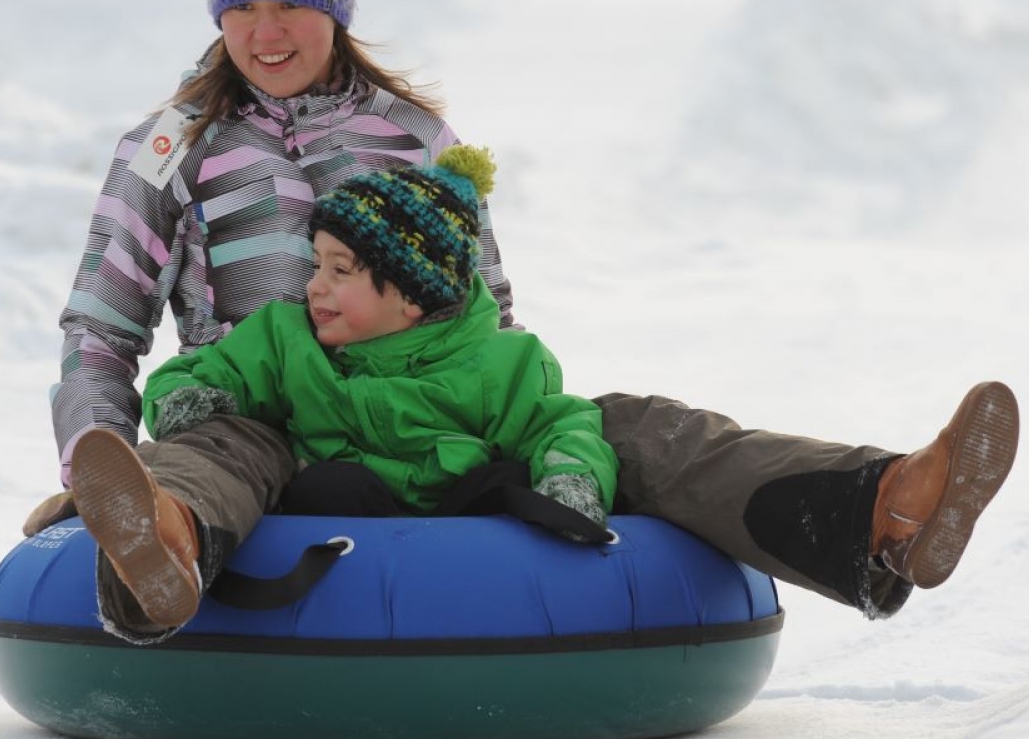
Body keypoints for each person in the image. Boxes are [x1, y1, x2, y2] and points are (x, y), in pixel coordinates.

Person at [32, 0, 1020, 635]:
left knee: (631, 426)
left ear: (333, 1)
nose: (266, 30)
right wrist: (96, 463)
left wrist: (526, 426)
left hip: (434, 418)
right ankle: (157, 537)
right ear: (217, 15)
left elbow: (482, 306)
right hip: (264, 422)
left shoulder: (413, 135)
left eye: (288, 2)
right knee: (216, 452)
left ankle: (882, 508)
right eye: (243, 8)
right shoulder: (172, 147)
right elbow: (101, 332)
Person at [70, 145, 618, 637]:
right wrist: (195, 402)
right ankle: (165, 538)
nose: (314, 285)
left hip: (458, 540)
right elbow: (198, 373)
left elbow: (559, 423)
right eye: (316, 264)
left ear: (412, 296)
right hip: (335, 527)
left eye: (340, 270)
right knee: (308, 477)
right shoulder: (288, 339)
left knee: (504, 479)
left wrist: (570, 476)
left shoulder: (500, 362)